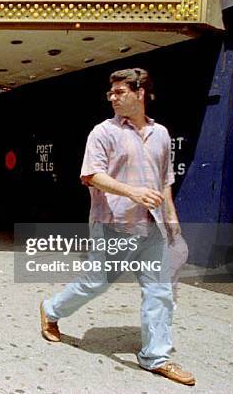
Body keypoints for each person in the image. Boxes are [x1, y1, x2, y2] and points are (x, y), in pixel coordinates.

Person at [39, 68, 195, 385]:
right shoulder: (103, 132)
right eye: (110, 93)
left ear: (140, 93)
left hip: (152, 228)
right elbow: (92, 175)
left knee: (159, 291)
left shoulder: (161, 134)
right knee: (95, 283)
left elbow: (164, 180)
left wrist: (171, 214)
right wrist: (132, 191)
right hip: (113, 224)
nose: (113, 97)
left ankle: (156, 356)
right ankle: (51, 310)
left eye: (120, 91)